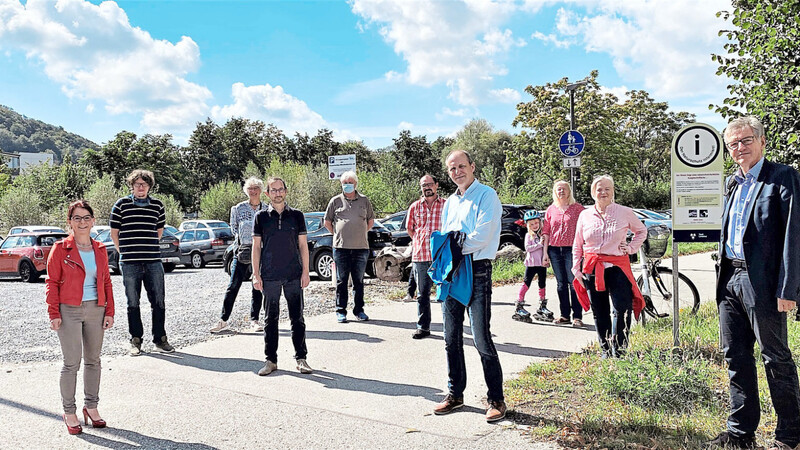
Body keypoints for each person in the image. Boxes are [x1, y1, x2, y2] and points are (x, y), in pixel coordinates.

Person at [706, 116, 800, 449]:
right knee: (735, 355)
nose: (739, 149)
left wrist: (789, 289)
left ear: (761, 141)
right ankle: (740, 432)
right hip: (729, 277)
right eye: (733, 144)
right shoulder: (734, 183)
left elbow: (794, 234)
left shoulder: (783, 177)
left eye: (745, 141)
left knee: (775, 357)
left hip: (763, 282)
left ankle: (790, 435)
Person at [433, 150, 506, 423]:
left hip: (477, 271)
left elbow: (481, 236)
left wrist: (452, 245)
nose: (457, 172)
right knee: (450, 337)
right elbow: (444, 235)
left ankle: (496, 399)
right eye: (452, 168)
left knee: (481, 338)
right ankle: (455, 394)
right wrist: (449, 246)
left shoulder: (487, 195)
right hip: (452, 272)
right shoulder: (450, 201)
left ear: (473, 166)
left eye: (462, 166)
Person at [46, 200, 115, 435]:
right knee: (71, 362)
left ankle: (91, 408)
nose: (82, 222)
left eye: (86, 217)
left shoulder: (100, 249)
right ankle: (69, 411)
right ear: (70, 222)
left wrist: (110, 311)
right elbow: (52, 282)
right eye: (77, 218)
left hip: (96, 309)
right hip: (69, 310)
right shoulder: (60, 248)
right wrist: (53, 312)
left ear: (93, 221)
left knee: (94, 361)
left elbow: (106, 281)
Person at [572, 175, 646, 358]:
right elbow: (577, 243)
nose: (603, 192)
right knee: (599, 311)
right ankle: (606, 351)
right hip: (591, 268)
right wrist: (576, 268)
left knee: (622, 309)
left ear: (613, 191)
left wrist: (630, 248)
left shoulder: (624, 212)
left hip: (617, 267)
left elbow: (641, 231)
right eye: (599, 189)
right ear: (592, 193)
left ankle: (619, 351)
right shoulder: (585, 215)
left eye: (607, 189)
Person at [252, 177, 312, 375]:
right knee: (270, 319)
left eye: (280, 189)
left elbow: (303, 246)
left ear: (285, 191)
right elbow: (256, 247)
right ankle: (271, 360)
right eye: (273, 190)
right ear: (267, 193)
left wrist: (306, 272)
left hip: (293, 274)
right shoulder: (260, 217)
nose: (277, 193)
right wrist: (256, 274)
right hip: (269, 275)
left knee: (297, 318)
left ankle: (301, 359)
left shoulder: (297, 216)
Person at [110, 169, 174, 355]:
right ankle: (135, 340)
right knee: (133, 302)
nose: (140, 187)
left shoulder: (157, 205)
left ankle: (160, 339)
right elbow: (114, 232)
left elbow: (159, 231)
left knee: (158, 301)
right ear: (131, 185)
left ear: (149, 186)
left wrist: (149, 246)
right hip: (130, 262)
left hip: (153, 261)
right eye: (137, 184)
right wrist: (124, 251)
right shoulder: (121, 205)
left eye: (144, 184)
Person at [210, 177, 267, 333]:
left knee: (258, 286)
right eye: (250, 188)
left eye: (256, 188)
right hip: (241, 251)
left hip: (261, 252)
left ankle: (254, 320)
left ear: (261, 190)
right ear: (246, 191)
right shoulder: (238, 209)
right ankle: (223, 320)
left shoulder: (267, 209)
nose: (253, 191)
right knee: (233, 286)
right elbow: (234, 229)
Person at [324, 171, 375, 323]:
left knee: (359, 281)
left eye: (350, 183)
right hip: (341, 248)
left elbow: (370, 221)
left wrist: (360, 232)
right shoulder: (335, 201)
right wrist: (338, 234)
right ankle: (341, 311)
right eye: (344, 183)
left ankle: (359, 310)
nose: (347, 185)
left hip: (361, 248)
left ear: (356, 184)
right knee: (342, 280)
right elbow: (327, 222)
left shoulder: (364, 200)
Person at [405, 174, 446, 339]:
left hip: (441, 256)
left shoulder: (446, 205)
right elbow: (410, 229)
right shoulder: (414, 207)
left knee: (445, 293)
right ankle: (423, 327)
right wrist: (420, 241)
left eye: (430, 184)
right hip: (420, 256)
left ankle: (449, 327)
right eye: (424, 185)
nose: (427, 187)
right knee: (422, 294)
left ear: (436, 185)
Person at [542, 180, 585, 327]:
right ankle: (564, 315)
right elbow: (546, 233)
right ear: (555, 192)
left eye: (564, 189)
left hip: (571, 250)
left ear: (569, 191)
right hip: (554, 250)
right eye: (558, 189)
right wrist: (544, 253)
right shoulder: (550, 210)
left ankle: (577, 316)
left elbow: (585, 229)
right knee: (561, 284)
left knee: (574, 282)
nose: (561, 191)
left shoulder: (578, 209)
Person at [513, 210, 551, 323]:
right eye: (532, 224)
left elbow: (546, 247)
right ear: (527, 225)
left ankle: (542, 305)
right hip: (531, 264)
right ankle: (519, 305)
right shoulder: (528, 236)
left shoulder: (541, 235)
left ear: (540, 222)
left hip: (541, 264)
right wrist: (538, 244)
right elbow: (527, 248)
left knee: (542, 283)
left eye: (536, 223)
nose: (534, 226)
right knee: (526, 283)